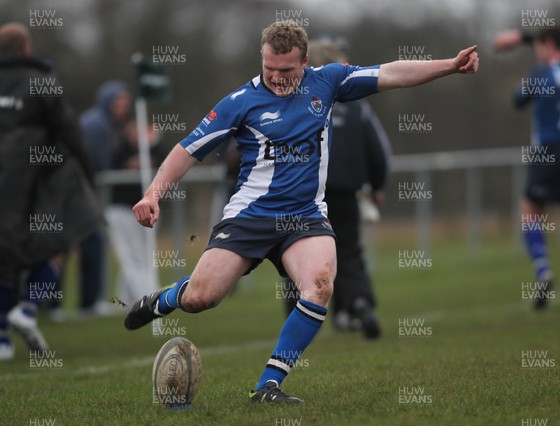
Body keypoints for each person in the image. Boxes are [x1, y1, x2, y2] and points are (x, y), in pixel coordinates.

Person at [124, 20, 478, 403]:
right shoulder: (239, 102)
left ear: (305, 62)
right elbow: (187, 150)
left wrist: (449, 65)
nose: (276, 78)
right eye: (269, 69)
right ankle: (165, 299)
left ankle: (268, 386)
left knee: (320, 285)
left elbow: (391, 72)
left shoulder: (328, 82)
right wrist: (153, 194)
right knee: (201, 299)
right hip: (250, 218)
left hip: (305, 218)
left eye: (287, 70)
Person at [0, 22, 102, 360]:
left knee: (4, 255)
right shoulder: (41, 80)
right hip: (36, 180)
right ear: (26, 49)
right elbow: (70, 131)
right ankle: (28, 307)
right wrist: (88, 175)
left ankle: (2, 337)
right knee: (57, 242)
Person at [282, 38, 391, 340]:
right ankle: (359, 305)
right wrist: (377, 186)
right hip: (345, 193)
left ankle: (297, 317)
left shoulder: (295, 102)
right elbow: (379, 151)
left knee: (296, 253)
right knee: (348, 252)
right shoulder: (358, 107)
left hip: (305, 195)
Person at [495, 27, 560, 310]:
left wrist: (523, 46)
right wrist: (527, 39)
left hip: (548, 152)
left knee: (530, 213)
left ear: (549, 45)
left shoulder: (543, 74)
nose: (537, 52)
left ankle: (542, 269)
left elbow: (518, 99)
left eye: (539, 47)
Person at [77, 80, 133, 318]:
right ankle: (88, 303)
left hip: (84, 194)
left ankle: (87, 302)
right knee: (90, 245)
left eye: (125, 102)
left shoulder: (105, 124)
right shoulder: (97, 125)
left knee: (92, 246)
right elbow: (98, 166)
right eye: (118, 101)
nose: (122, 107)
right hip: (81, 196)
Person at [106, 119, 167, 302]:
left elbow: (166, 162)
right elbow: (110, 167)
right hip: (121, 211)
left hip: (148, 210)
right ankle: (148, 298)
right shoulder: (121, 148)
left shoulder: (158, 149)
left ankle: (125, 300)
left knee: (141, 256)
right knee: (130, 257)